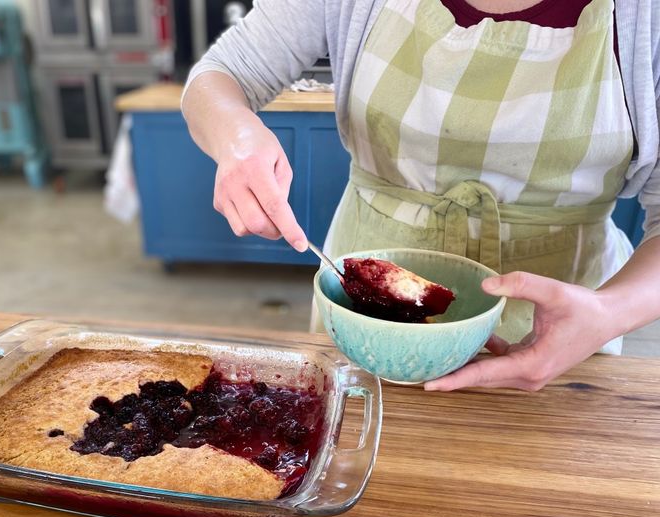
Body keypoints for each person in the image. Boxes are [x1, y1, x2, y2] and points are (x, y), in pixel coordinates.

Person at [182, 0, 660, 391]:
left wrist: (610, 312)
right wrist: (237, 139)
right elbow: (222, 73)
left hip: (559, 334)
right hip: (361, 330)